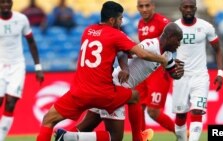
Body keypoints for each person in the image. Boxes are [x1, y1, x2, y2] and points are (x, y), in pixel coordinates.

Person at [36, 1, 168, 141]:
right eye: (120, 18)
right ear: (112, 20)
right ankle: (138, 138)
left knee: (48, 119)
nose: (121, 21)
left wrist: (124, 67)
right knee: (134, 97)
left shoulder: (88, 30)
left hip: (78, 91)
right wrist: (163, 60)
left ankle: (66, 137)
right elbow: (141, 54)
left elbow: (118, 51)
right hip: (102, 93)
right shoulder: (116, 34)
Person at [54, 22, 184, 141]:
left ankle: (64, 137)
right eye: (178, 40)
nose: (179, 44)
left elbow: (173, 72)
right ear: (170, 36)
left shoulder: (166, 55)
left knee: (87, 126)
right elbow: (123, 51)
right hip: (117, 85)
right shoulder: (150, 46)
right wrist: (125, 69)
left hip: (109, 85)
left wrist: (179, 72)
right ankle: (138, 137)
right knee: (116, 136)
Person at [173, 0, 223, 141]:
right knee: (181, 115)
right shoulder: (173, 27)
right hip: (180, 77)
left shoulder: (206, 27)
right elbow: (164, 49)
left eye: (191, 7)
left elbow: (218, 50)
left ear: (195, 8)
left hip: (200, 77)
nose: (188, 10)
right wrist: (170, 65)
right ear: (180, 8)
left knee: (197, 111)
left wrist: (220, 73)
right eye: (186, 7)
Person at [0, 0, 44, 141]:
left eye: (8, 2)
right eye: (2, 2)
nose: (6, 5)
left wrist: (38, 67)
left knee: (11, 102)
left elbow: (31, 41)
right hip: (0, 65)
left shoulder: (21, 19)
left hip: (17, 66)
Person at [135, 0, 176, 139]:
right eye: (141, 6)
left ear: (153, 6)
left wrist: (170, 61)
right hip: (143, 71)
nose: (144, 9)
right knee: (137, 105)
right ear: (137, 8)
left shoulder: (163, 22)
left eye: (147, 5)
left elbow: (176, 40)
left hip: (159, 71)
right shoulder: (140, 23)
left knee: (153, 112)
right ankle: (141, 137)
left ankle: (182, 134)